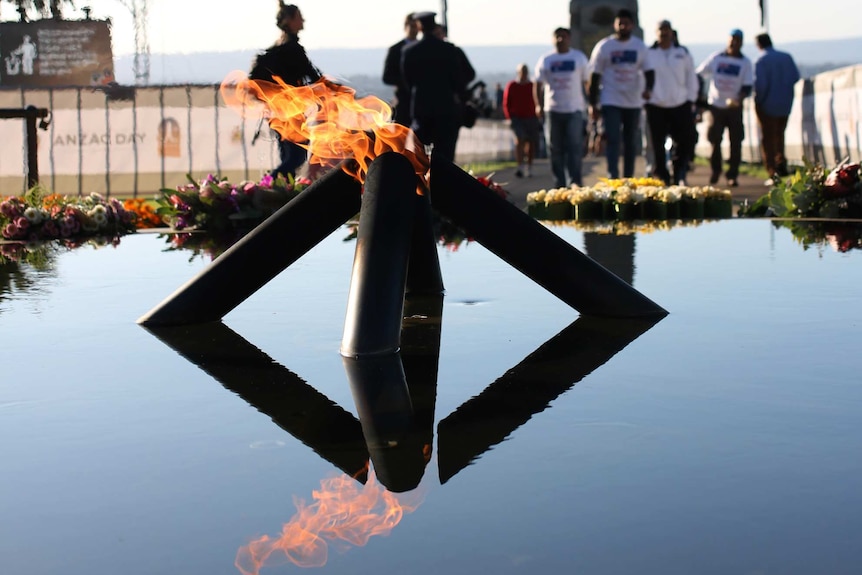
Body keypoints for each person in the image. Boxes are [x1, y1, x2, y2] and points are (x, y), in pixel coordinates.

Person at [249, 2, 321, 180]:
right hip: (290, 111)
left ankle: (281, 192)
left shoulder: (277, 49)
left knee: (289, 156)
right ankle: (268, 185)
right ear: (289, 20)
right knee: (296, 157)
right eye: (299, 16)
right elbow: (313, 75)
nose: (303, 20)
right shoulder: (292, 50)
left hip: (277, 111)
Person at [401, 11, 476, 163]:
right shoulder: (450, 50)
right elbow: (459, 80)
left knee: (418, 159)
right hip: (446, 111)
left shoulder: (409, 52)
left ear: (420, 28)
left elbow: (408, 82)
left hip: (421, 112)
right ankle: (443, 186)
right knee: (445, 160)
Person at [589, 9, 654, 179]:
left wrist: (648, 90)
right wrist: (592, 103)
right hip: (611, 99)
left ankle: (628, 177)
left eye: (626, 23)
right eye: (620, 23)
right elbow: (595, 76)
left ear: (632, 25)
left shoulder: (639, 46)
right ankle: (613, 175)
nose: (623, 26)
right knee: (613, 139)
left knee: (631, 141)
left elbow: (649, 72)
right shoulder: (604, 46)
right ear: (615, 25)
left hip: (633, 101)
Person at [696, 29, 753, 187]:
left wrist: (739, 98)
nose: (734, 43)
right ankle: (716, 169)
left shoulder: (745, 62)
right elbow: (699, 74)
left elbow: (748, 85)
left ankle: (732, 174)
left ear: (742, 43)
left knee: (736, 141)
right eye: (732, 39)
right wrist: (700, 97)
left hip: (734, 107)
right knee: (714, 139)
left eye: (738, 40)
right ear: (727, 40)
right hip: (716, 105)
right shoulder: (716, 58)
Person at [534, 27, 590, 187]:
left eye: (564, 36)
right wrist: (538, 105)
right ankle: (559, 183)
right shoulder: (546, 60)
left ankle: (575, 182)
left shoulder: (578, 58)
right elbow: (537, 84)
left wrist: (592, 103)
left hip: (574, 110)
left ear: (569, 39)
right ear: (553, 39)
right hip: (552, 110)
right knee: (555, 149)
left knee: (574, 147)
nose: (560, 39)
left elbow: (587, 83)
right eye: (557, 36)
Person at [644, 20, 698, 185]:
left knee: (685, 141)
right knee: (657, 144)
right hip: (656, 105)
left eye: (667, 29)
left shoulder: (682, 53)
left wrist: (691, 99)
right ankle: (662, 176)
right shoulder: (649, 54)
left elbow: (691, 77)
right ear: (656, 32)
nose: (664, 33)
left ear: (671, 32)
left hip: (680, 104)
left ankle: (679, 172)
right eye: (661, 29)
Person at [754, 32, 800, 185]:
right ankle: (781, 163)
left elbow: (760, 86)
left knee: (768, 138)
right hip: (785, 104)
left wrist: (759, 101)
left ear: (759, 44)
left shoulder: (761, 60)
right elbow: (795, 77)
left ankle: (772, 171)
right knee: (780, 134)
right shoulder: (787, 57)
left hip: (767, 105)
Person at [503, 64, 542, 177]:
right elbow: (506, 102)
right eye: (522, 71)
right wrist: (509, 117)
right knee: (519, 141)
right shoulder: (512, 85)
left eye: (525, 71)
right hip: (517, 118)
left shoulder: (531, 85)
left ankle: (529, 167)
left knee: (531, 142)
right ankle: (519, 166)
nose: (524, 74)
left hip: (531, 117)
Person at [382, 13, 419, 126]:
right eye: (412, 26)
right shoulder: (395, 49)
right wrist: (407, 80)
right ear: (406, 26)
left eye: (416, 27)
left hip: (421, 104)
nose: (414, 30)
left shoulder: (423, 48)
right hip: (403, 102)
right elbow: (387, 77)